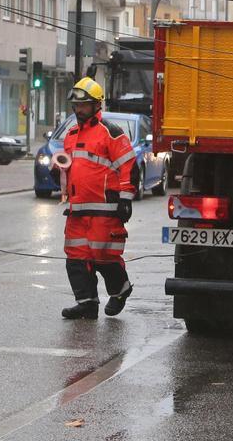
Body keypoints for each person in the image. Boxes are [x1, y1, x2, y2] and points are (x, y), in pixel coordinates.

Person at [59, 77, 136, 319]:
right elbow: (70, 168)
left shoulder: (110, 133)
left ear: (96, 105)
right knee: (76, 259)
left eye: (83, 105)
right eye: (76, 105)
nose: (78, 109)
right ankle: (87, 303)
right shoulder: (70, 134)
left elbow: (128, 166)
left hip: (105, 209)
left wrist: (125, 199)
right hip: (78, 211)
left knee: (104, 258)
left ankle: (121, 290)